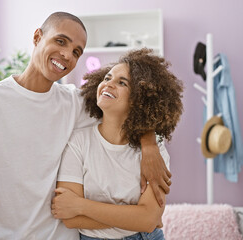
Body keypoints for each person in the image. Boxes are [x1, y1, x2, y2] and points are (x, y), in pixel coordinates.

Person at [0, 12, 171, 239]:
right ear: (37, 37)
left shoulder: (75, 102)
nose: (66, 55)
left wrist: (149, 145)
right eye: (60, 41)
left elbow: (131, 110)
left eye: (76, 52)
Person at [52, 48, 184, 240]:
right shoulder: (78, 142)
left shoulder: (154, 151)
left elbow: (148, 221)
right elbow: (70, 218)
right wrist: (135, 216)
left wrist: (81, 206)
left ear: (139, 99)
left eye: (122, 83)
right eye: (107, 78)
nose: (108, 84)